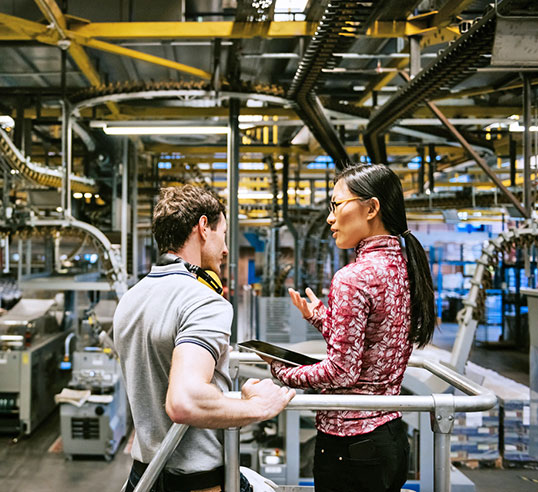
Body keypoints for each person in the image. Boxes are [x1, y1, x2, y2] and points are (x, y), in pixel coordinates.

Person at [266, 164, 436, 492]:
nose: (330, 218)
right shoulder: (403, 267)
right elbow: (371, 348)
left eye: (336, 205)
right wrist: (321, 318)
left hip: (350, 449)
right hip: (389, 439)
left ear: (371, 208)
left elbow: (342, 372)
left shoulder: (353, 277)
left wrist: (283, 373)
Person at [114, 185, 295, 492]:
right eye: (222, 234)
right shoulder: (205, 302)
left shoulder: (131, 299)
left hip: (145, 476)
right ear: (202, 228)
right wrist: (259, 407)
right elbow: (184, 401)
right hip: (198, 482)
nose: (225, 249)